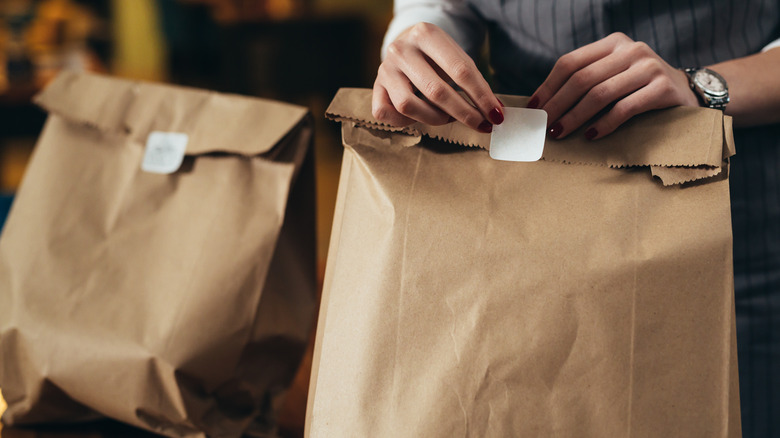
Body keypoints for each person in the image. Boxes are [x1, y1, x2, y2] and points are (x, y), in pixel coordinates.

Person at [372, 1, 780, 437]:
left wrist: (702, 86)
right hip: (518, 240)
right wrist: (419, 49)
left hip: (730, 239)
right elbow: (440, 9)